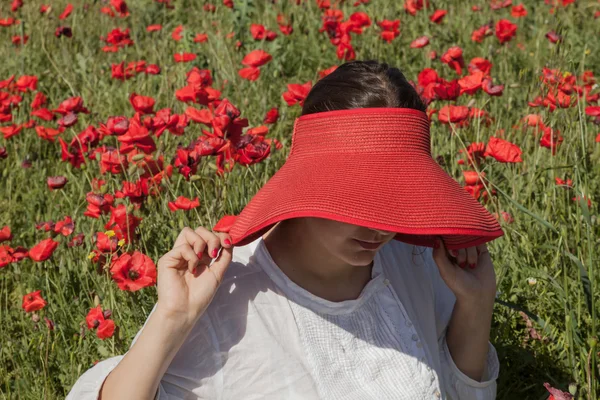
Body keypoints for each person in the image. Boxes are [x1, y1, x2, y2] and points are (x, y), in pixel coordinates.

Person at [66, 60, 502, 400]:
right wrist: (172, 317)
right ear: (308, 183)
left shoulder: (414, 263)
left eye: (396, 197)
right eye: (357, 198)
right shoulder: (228, 295)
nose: (378, 224)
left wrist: (477, 303)